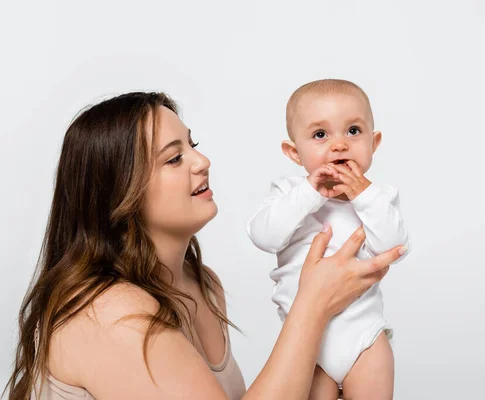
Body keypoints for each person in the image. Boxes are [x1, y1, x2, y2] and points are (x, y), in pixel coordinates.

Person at [4, 92, 405, 400]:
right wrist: (313, 305)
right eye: (174, 158)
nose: (202, 161)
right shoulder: (108, 313)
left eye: (192, 144)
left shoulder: (202, 284)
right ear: (119, 191)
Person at [247, 79, 411, 399]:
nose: (339, 145)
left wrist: (363, 196)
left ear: (374, 143)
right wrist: (311, 193)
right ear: (294, 153)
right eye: (320, 135)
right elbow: (263, 236)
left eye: (353, 131)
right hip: (308, 343)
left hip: (365, 339)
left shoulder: (378, 198)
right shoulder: (290, 194)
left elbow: (395, 248)